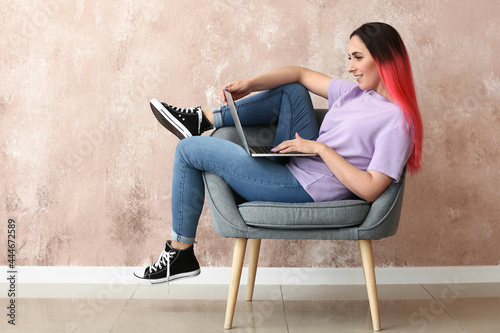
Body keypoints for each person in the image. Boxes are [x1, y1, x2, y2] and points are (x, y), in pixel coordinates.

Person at [133, 22, 423, 285]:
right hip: (299, 162)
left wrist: (320, 148)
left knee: (187, 149)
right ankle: (204, 118)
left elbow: (371, 189)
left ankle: (181, 253)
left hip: (306, 187)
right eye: (350, 58)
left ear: (384, 58)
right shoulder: (355, 93)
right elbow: (299, 73)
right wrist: (249, 84)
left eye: (358, 58)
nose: (350, 68)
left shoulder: (398, 121)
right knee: (293, 89)